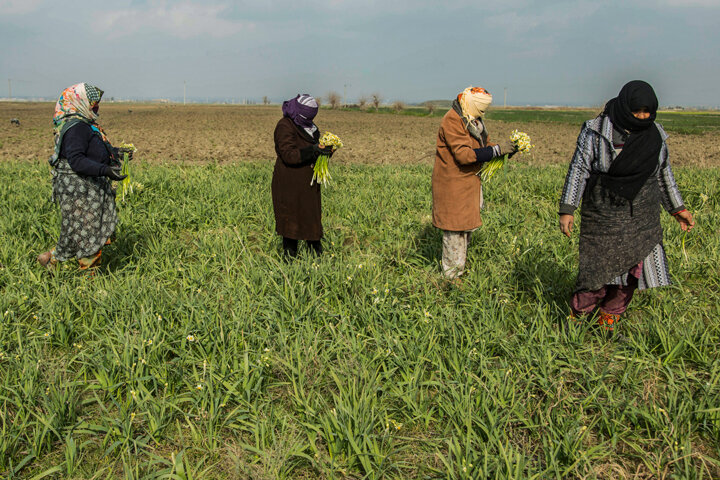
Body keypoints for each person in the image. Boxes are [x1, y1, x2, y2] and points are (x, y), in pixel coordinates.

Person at [559, 80, 694, 331]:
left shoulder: (655, 135)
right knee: (596, 269)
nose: (642, 117)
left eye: (647, 112)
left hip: (641, 216)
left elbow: (664, 175)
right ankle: (578, 317)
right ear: (624, 106)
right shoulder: (596, 130)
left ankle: (609, 317)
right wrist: (568, 209)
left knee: (631, 272)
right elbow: (579, 169)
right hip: (603, 212)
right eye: (637, 111)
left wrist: (678, 209)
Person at [37, 83, 131, 270]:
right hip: (78, 189)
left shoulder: (86, 124)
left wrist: (118, 153)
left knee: (79, 231)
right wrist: (105, 171)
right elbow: (77, 160)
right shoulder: (76, 128)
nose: (96, 108)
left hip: (87, 187)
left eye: (97, 104)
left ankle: (51, 259)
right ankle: (89, 283)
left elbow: (95, 151)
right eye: (93, 104)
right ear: (78, 102)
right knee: (88, 232)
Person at [431, 86, 518, 279]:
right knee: (454, 233)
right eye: (481, 108)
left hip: (469, 184)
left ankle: (457, 272)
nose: (482, 113)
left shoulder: (472, 118)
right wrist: (496, 151)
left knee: (465, 231)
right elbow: (464, 155)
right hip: (453, 185)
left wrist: (505, 150)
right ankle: (451, 280)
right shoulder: (452, 120)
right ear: (470, 103)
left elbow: (482, 147)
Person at [271, 94, 333, 258]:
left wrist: (326, 152)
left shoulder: (310, 126)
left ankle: (316, 258)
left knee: (311, 219)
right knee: (291, 221)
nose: (309, 120)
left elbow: (315, 150)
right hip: (290, 182)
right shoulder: (285, 126)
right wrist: (313, 150)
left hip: (309, 183)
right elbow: (288, 155)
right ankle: (289, 260)